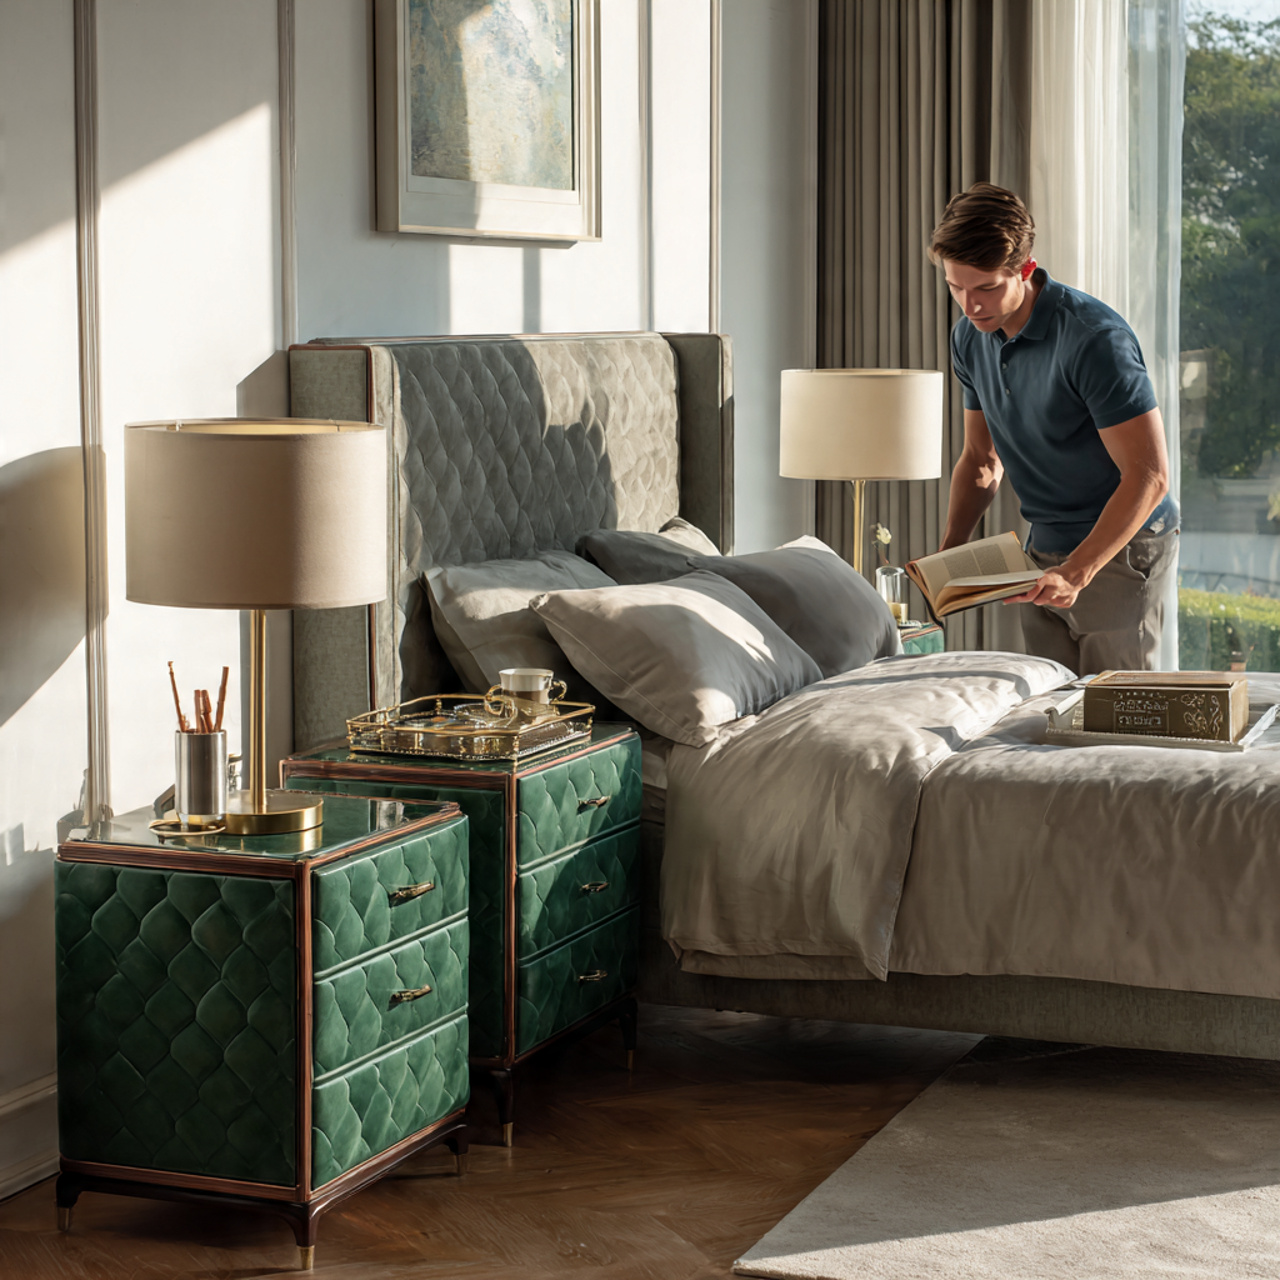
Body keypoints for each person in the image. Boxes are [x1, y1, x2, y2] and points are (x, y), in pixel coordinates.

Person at [929, 182, 1178, 674]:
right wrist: (950, 552)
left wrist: (1078, 572)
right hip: (1043, 543)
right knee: (1050, 698)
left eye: (986, 288)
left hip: (1122, 548)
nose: (970, 306)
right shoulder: (969, 338)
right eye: (956, 287)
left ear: (1025, 269)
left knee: (1114, 705)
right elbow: (981, 460)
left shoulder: (1094, 340)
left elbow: (1150, 477)